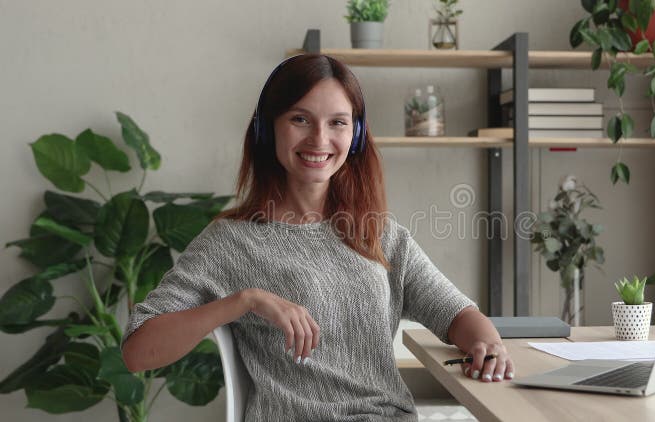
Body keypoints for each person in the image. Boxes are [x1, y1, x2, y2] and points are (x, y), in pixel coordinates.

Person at [121, 54, 514, 421]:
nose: (319, 140)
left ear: (356, 136)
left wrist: (488, 346)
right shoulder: (231, 242)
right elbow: (138, 352)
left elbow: (458, 313)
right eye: (300, 119)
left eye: (338, 123)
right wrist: (244, 301)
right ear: (265, 129)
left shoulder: (380, 234)